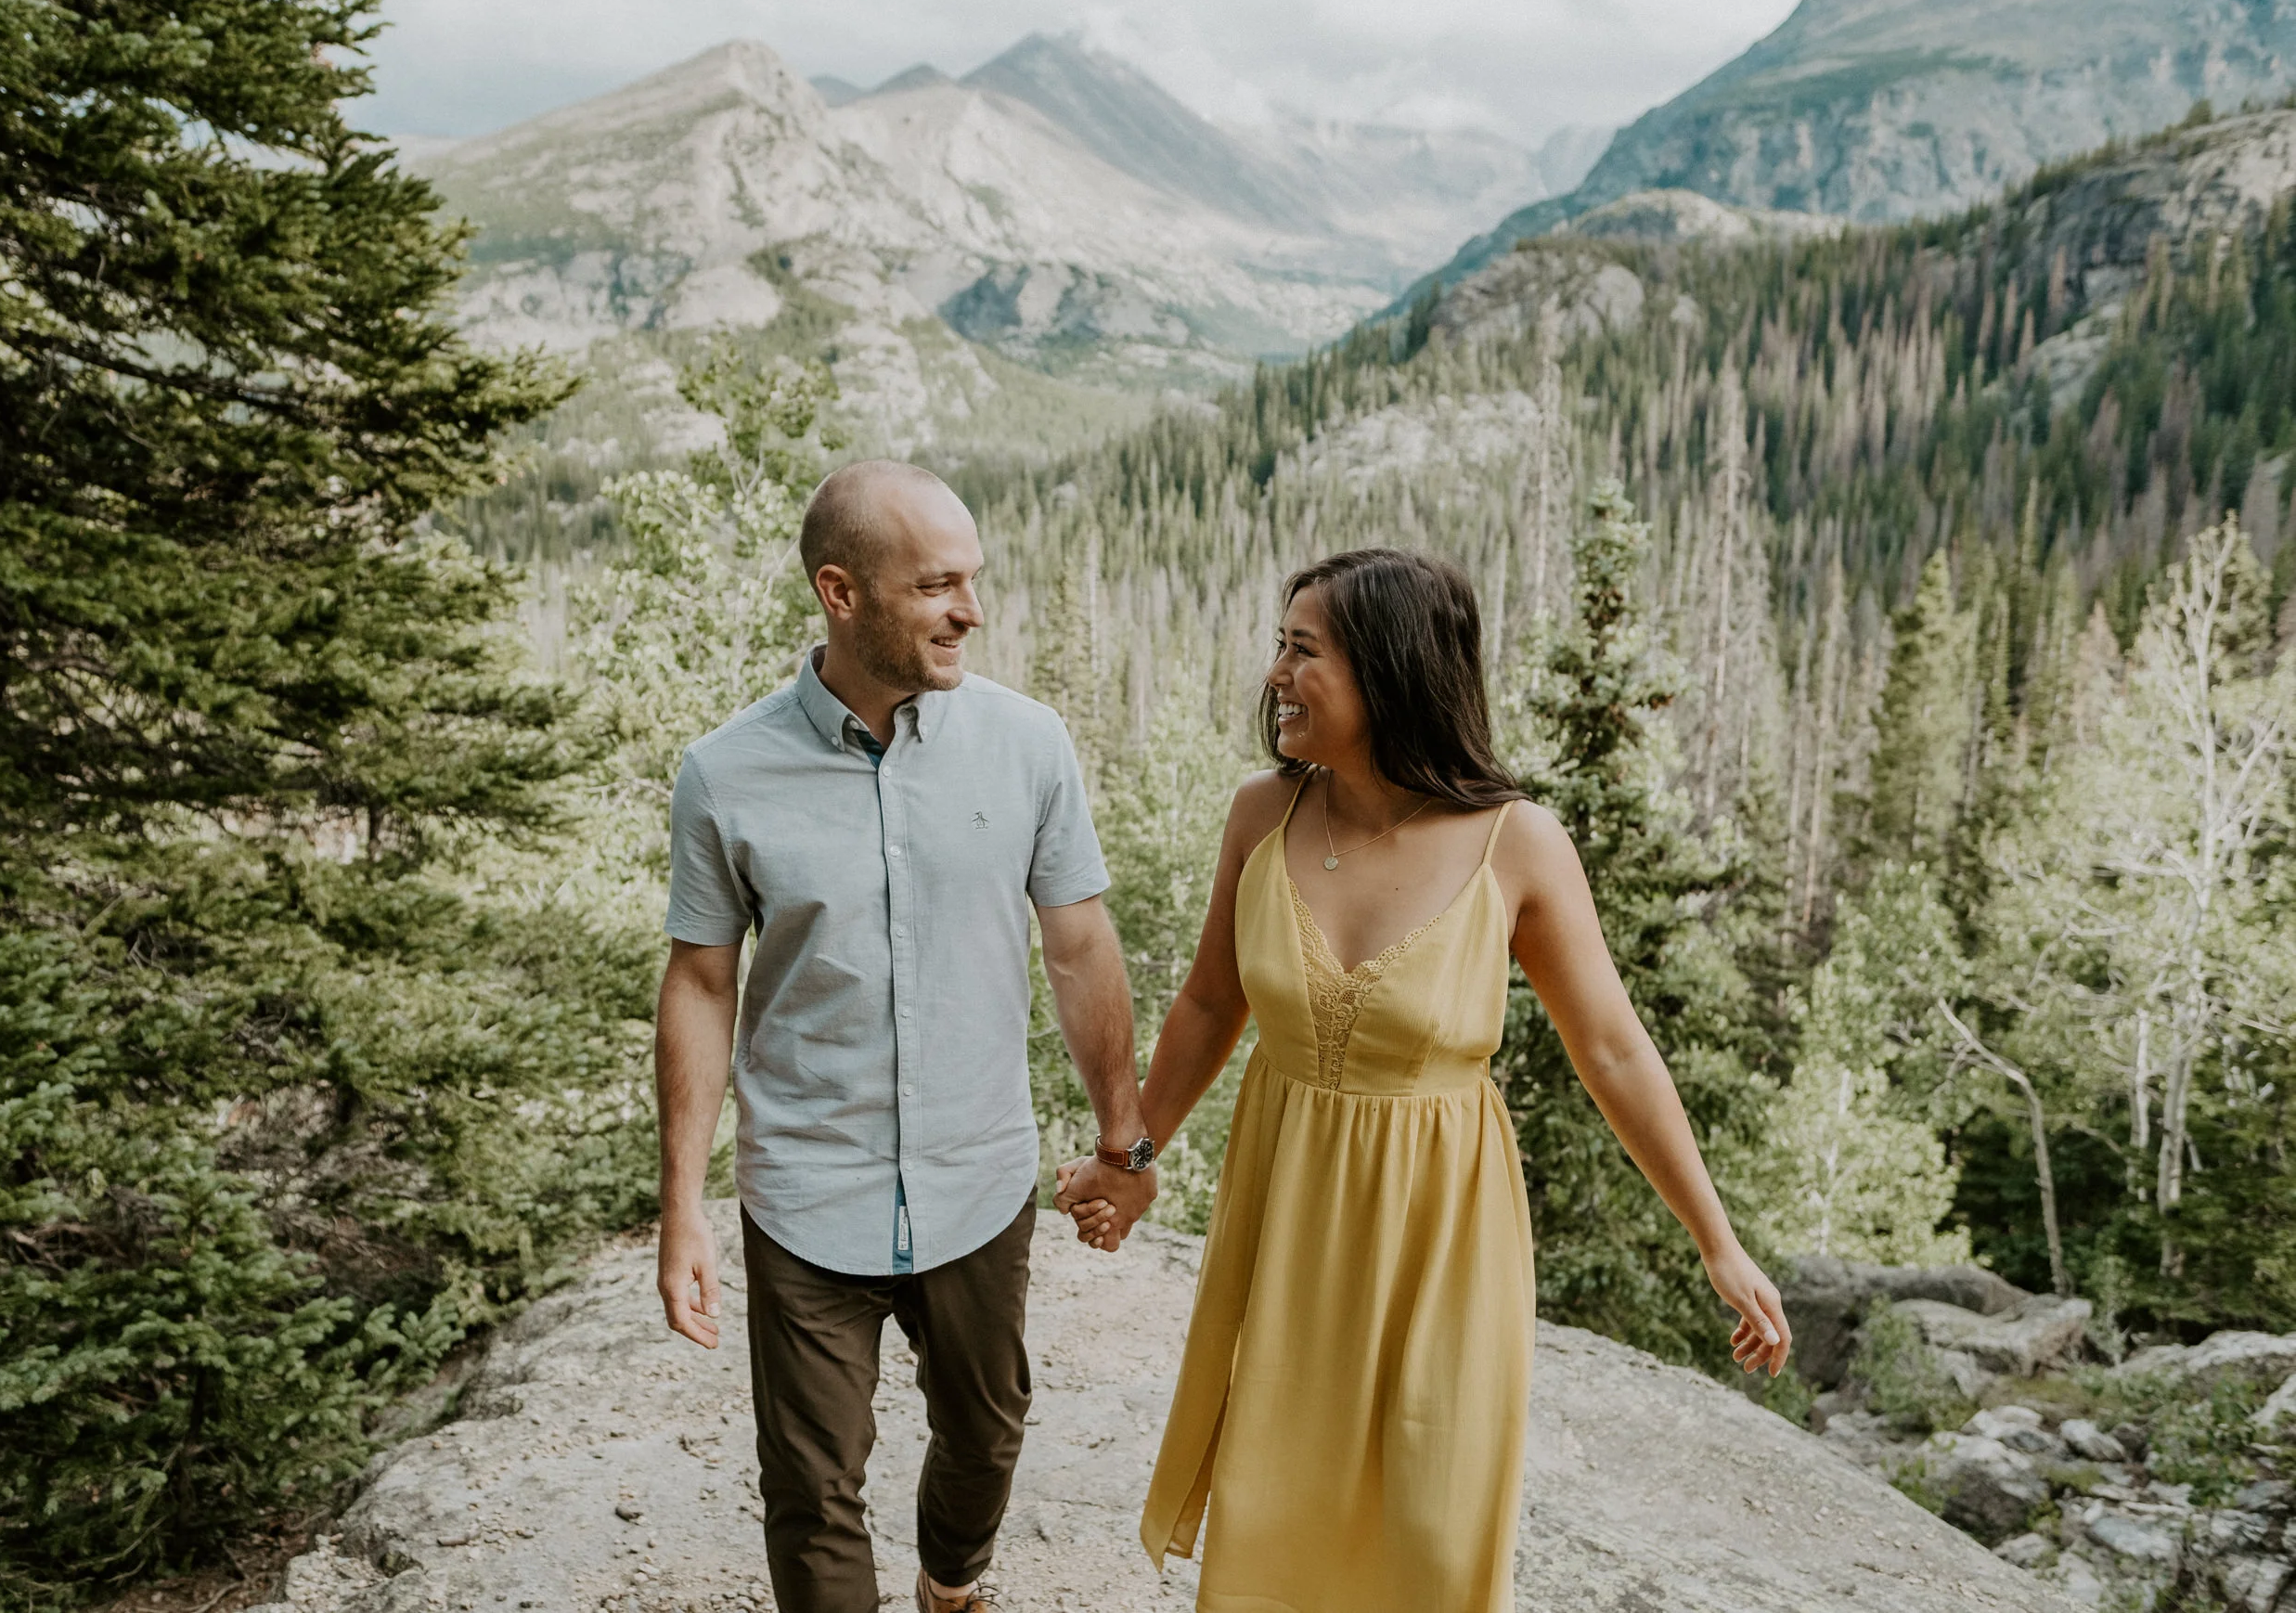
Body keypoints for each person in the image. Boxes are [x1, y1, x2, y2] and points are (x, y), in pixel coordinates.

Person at [1055, 548, 1793, 1611]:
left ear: (1390, 670)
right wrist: (1130, 1157)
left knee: (1431, 1531)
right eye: (1280, 646)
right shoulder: (1262, 815)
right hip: (1286, 1224)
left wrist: (1715, 1241)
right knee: (1272, 1515)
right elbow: (1212, 1005)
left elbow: (1614, 1049)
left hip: (1443, 1240)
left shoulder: (1516, 842)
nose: (1274, 675)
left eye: (1302, 652)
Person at [654, 460, 1158, 1613]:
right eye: (936, 585)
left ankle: (950, 1581)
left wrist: (1122, 1141)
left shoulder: (1029, 746)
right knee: (811, 1488)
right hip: (802, 1188)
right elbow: (698, 980)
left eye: (971, 580)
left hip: (977, 1179)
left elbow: (1080, 948)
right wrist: (682, 1200)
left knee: (985, 1434)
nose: (970, 610)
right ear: (840, 592)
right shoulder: (724, 774)